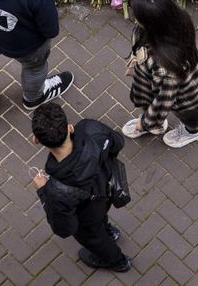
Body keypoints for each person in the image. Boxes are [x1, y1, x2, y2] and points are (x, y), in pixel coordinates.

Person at [31, 104, 132, 273]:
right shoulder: (90, 129)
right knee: (101, 219)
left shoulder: (55, 188)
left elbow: (64, 228)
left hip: (87, 214)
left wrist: (43, 190)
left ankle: (117, 261)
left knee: (95, 238)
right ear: (70, 128)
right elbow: (117, 142)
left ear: (36, 139)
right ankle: (108, 231)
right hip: (107, 191)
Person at [121, 0, 198, 148]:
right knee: (150, 99)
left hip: (183, 95)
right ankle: (156, 123)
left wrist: (145, 123)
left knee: (187, 113)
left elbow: (164, 99)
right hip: (161, 80)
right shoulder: (177, 21)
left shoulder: (167, 64)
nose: (134, 18)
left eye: (138, 17)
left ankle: (194, 131)